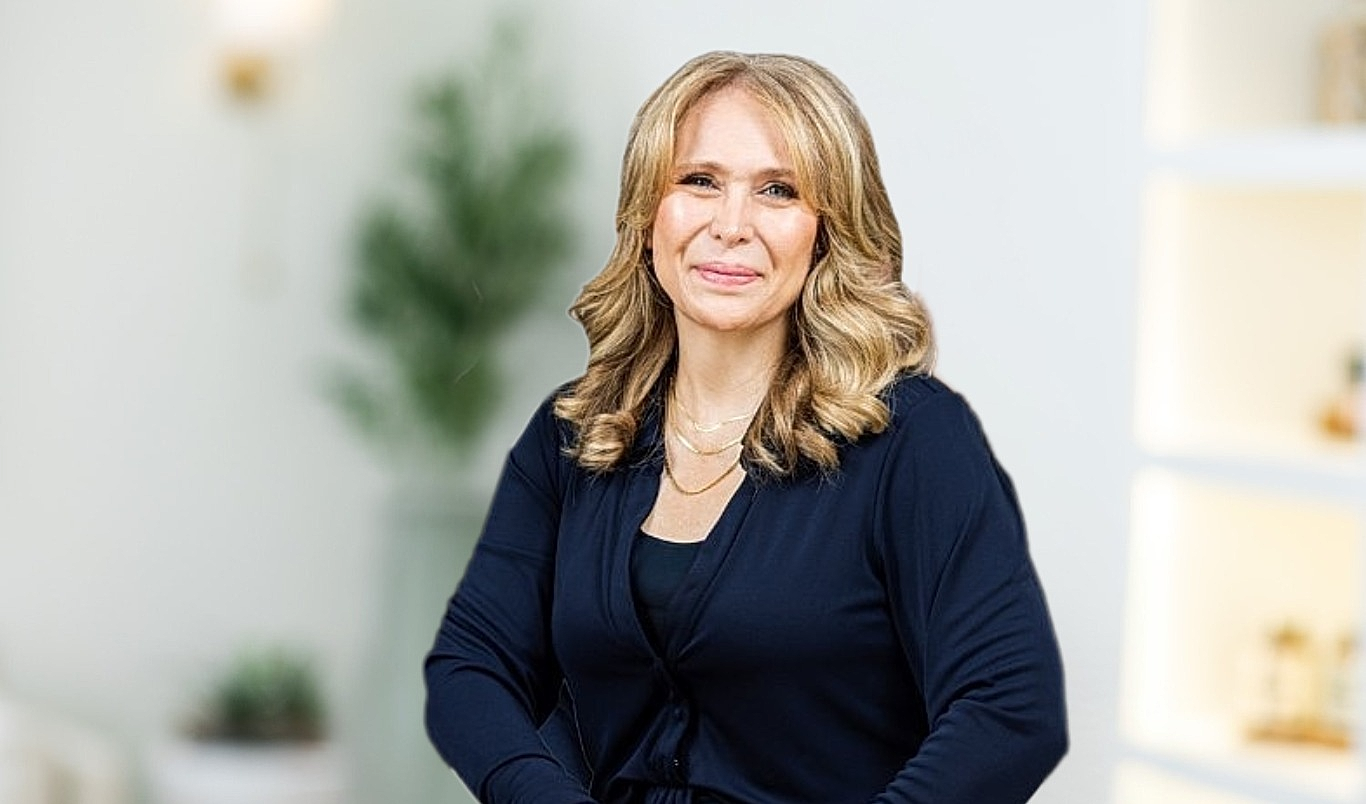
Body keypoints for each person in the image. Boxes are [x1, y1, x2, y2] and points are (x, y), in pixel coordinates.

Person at [425, 50, 1068, 804]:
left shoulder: (912, 440)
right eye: (699, 181)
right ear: (647, 215)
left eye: (778, 190)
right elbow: (472, 664)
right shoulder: (579, 432)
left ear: (826, 232)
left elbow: (1010, 708)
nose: (731, 226)